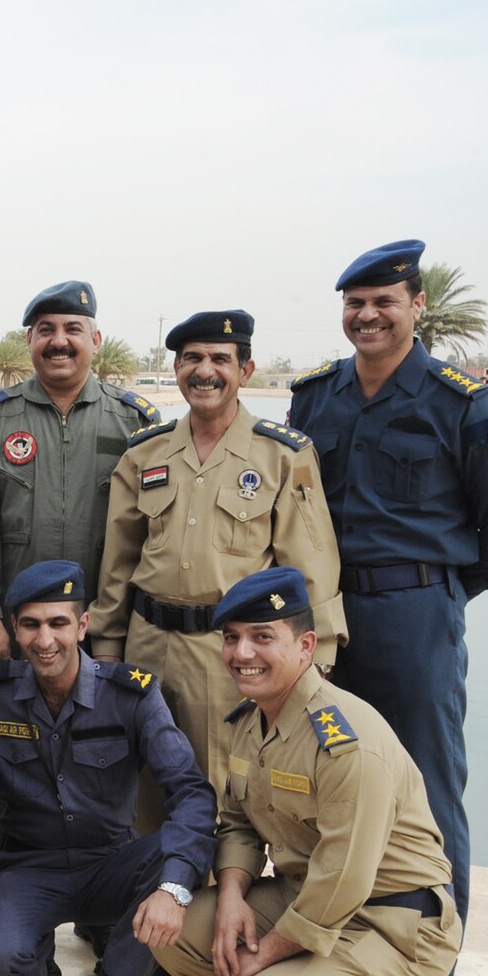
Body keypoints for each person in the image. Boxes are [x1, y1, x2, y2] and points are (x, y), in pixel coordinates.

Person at [289, 239, 488, 976]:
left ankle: (430, 971)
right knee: (322, 780)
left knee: (424, 791)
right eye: (355, 304)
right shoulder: (315, 399)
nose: (367, 316)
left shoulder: (464, 404)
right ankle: (330, 947)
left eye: (384, 302)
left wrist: (440, 593)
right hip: (321, 624)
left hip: (412, 618)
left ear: (416, 307)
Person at [152, 567, 460, 976]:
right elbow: (239, 821)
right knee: (172, 935)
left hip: (393, 925)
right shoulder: (252, 720)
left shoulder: (346, 743)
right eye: (231, 637)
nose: (241, 652)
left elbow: (344, 878)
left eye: (262, 637)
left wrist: (267, 953)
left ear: (306, 645)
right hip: (306, 900)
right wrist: (229, 897)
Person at [0, 560, 216, 976]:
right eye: (31, 624)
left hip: (109, 864)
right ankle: (37, 965)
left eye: (58, 623)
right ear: (15, 629)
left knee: (180, 851)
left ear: (83, 625)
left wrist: (173, 888)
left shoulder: (132, 696)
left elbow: (190, 791)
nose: (44, 640)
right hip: (28, 866)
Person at [90, 309, 344, 794]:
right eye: (191, 359)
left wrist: (319, 654)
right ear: (177, 370)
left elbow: (310, 564)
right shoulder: (144, 453)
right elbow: (118, 563)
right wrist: (107, 646)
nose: (204, 371)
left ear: (245, 371)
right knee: (140, 786)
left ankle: (217, 875)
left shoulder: (283, 456)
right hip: (147, 647)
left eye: (219, 359)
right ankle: (152, 872)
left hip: (231, 653)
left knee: (224, 787)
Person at [0, 280, 161, 663]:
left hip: (106, 630)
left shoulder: (135, 420)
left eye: (73, 329)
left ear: (96, 340)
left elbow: (151, 533)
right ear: (29, 340)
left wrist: (119, 629)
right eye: (46, 330)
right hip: (17, 627)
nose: (59, 341)